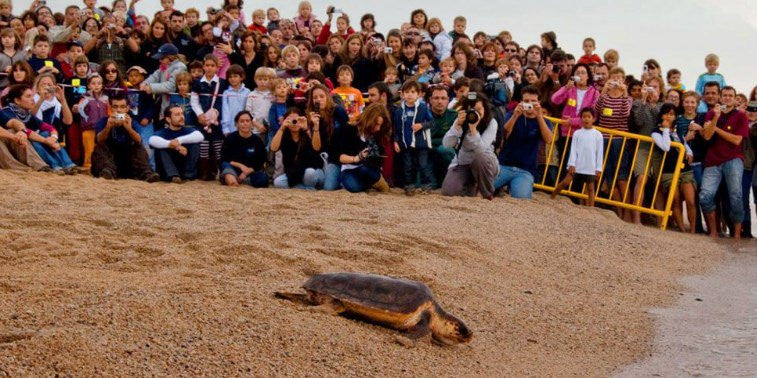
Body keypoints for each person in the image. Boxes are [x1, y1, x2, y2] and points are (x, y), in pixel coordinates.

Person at [700, 86, 749, 240]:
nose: (727, 98)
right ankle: (714, 231)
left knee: (736, 196)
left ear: (735, 99)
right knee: (705, 197)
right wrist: (715, 117)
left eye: (730, 96)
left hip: (733, 159)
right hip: (713, 160)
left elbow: (736, 140)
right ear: (720, 98)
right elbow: (707, 136)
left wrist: (717, 130)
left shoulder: (741, 116)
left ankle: (736, 235)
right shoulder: (711, 113)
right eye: (725, 95)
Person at [494, 85, 554, 199]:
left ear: (539, 102)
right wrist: (515, 116)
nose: (529, 104)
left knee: (522, 199)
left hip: (525, 170)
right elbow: (505, 135)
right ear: (521, 101)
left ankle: (505, 189)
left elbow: (548, 140)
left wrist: (539, 116)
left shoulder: (544, 121)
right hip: (504, 165)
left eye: (533, 101)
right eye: (526, 101)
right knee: (484, 188)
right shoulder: (512, 114)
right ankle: (501, 189)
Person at [440, 91, 499, 199]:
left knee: (480, 158)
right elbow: (446, 144)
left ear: (485, 109)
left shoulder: (491, 122)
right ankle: (471, 186)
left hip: (485, 163)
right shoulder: (461, 121)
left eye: (479, 109)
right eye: (471, 110)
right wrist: (457, 126)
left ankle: (486, 193)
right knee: (448, 191)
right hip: (464, 163)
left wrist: (473, 130)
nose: (475, 113)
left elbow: (481, 150)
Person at [90, 94, 160, 182]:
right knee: (100, 147)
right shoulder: (104, 121)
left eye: (122, 107)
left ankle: (146, 174)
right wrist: (108, 127)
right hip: (108, 164)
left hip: (127, 164)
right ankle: (107, 173)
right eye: (115, 107)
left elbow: (139, 140)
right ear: (110, 108)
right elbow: (99, 140)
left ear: (127, 108)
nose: (119, 110)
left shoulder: (132, 122)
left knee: (138, 146)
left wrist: (129, 129)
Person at [652, 103, 696, 233]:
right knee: (675, 200)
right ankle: (682, 230)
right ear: (661, 115)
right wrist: (665, 130)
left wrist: (690, 152)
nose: (668, 116)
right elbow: (666, 147)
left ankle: (693, 231)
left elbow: (684, 143)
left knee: (690, 200)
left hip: (685, 169)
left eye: (671, 114)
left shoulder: (677, 130)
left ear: (675, 116)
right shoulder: (655, 132)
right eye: (666, 113)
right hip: (669, 170)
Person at [334, 103, 391, 193]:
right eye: (376, 124)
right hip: (350, 169)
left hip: (368, 169)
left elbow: (380, 159)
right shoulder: (349, 129)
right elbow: (341, 157)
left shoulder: (377, 135)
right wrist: (356, 158)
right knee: (353, 187)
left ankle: (377, 183)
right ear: (369, 119)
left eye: (380, 125)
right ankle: (370, 184)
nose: (378, 128)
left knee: (366, 170)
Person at [552, 108, 603, 207]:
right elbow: (573, 150)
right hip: (577, 164)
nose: (586, 119)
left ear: (593, 119)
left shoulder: (598, 135)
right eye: (584, 117)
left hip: (590, 166)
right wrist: (571, 164)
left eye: (589, 117)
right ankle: (552, 197)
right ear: (581, 118)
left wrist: (599, 168)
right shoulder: (577, 133)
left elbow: (600, 153)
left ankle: (591, 209)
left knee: (591, 188)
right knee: (565, 182)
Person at [392, 80, 433, 195]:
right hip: (406, 144)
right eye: (407, 92)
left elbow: (431, 122)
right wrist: (395, 141)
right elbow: (396, 128)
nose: (410, 94)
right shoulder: (399, 111)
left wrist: (421, 125)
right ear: (402, 94)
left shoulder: (423, 107)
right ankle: (409, 187)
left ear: (418, 94)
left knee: (423, 165)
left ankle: (426, 186)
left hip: (421, 143)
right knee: (408, 166)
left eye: (413, 92)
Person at [306, 83, 349, 190]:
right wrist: (315, 126)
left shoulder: (338, 111)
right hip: (330, 160)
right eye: (315, 97)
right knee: (328, 188)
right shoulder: (313, 117)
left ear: (327, 97)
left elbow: (349, 133)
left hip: (345, 156)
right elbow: (316, 148)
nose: (318, 99)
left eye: (321, 96)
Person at [270, 107, 324, 189]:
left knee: (309, 172)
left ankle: (301, 187)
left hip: (312, 169)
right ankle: (307, 188)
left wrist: (306, 129)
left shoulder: (307, 132)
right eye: (291, 120)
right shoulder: (284, 135)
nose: (294, 122)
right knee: (278, 182)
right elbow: (273, 148)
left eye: (297, 119)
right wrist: (282, 128)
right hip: (293, 173)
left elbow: (317, 148)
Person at [148, 105, 203, 183]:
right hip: (167, 171)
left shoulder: (188, 130)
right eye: (177, 114)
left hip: (186, 169)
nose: (181, 117)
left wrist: (179, 141)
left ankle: (187, 176)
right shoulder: (162, 132)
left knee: (195, 145)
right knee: (161, 147)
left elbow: (200, 136)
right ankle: (173, 176)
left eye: (182, 114)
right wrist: (172, 145)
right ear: (168, 119)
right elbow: (152, 140)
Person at [219, 110, 269, 188]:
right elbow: (224, 158)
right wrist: (241, 166)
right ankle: (233, 183)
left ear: (251, 124)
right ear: (236, 124)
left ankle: (243, 181)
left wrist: (247, 172)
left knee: (263, 179)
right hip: (233, 169)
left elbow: (261, 160)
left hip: (250, 171)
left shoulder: (257, 140)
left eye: (247, 121)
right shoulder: (230, 138)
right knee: (226, 166)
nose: (245, 123)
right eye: (242, 121)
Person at [426, 85, 458, 188]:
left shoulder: (454, 116)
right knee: (423, 185)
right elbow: (423, 140)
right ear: (430, 100)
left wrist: (434, 141)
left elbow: (455, 140)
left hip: (446, 154)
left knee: (445, 150)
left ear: (448, 100)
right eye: (436, 98)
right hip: (426, 155)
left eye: (443, 98)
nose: (440, 101)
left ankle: (452, 180)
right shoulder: (422, 115)